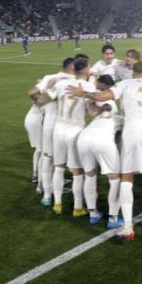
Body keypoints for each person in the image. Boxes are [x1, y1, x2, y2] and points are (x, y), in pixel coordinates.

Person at [68, 61, 142, 240]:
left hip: (132, 130)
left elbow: (103, 96)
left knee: (127, 177)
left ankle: (128, 226)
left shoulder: (125, 83)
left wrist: (84, 93)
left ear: (132, 72)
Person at [45, 59, 96, 216]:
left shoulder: (61, 84)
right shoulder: (87, 86)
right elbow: (91, 108)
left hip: (58, 129)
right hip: (75, 131)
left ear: (73, 70)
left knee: (59, 167)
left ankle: (57, 204)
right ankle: (78, 207)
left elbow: (48, 96)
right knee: (77, 171)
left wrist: (48, 85)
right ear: (87, 70)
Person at [76, 75, 124, 228]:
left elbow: (94, 109)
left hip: (83, 138)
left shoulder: (96, 101)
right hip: (102, 140)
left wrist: (91, 103)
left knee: (90, 175)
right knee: (115, 178)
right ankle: (113, 218)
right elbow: (108, 108)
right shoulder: (118, 114)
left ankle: (93, 213)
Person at [30, 58, 76, 206]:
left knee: (47, 157)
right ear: (71, 67)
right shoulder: (75, 79)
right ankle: (52, 193)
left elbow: (31, 92)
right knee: (61, 162)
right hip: (65, 125)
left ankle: (44, 192)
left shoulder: (50, 77)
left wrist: (40, 102)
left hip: (49, 124)